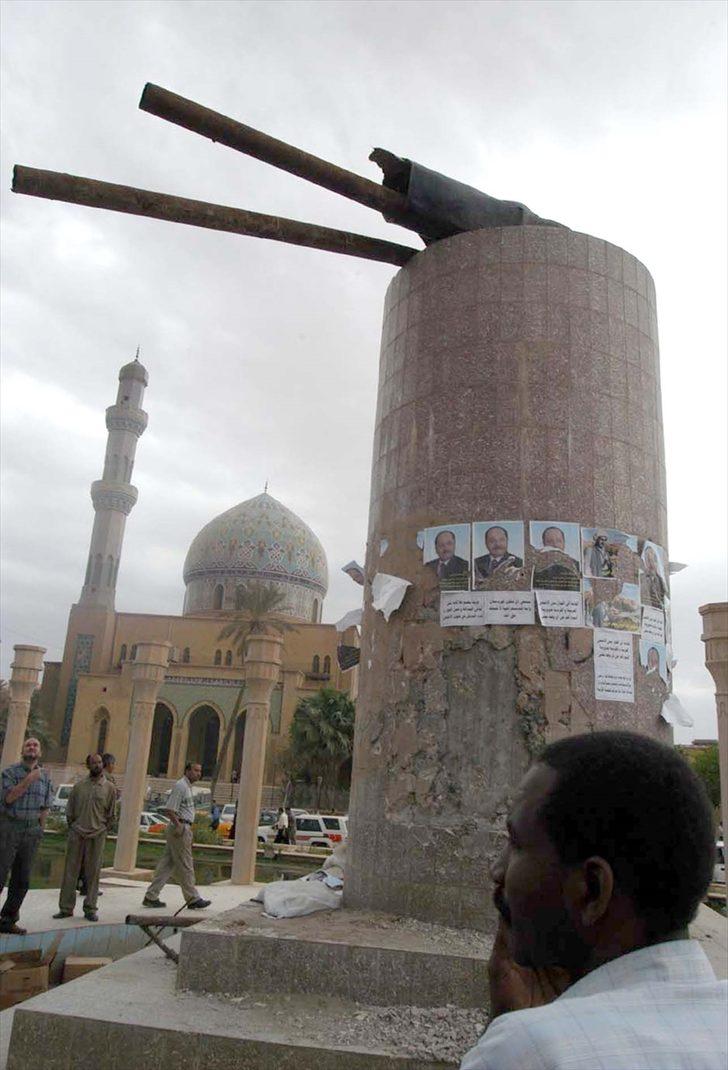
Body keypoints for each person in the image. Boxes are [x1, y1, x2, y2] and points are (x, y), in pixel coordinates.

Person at [460, 731, 726, 1069]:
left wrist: (510, 1029)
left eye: (516, 844)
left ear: (592, 888)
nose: (497, 871)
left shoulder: (531, 1050)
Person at [53, 752, 116, 922]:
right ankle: (66, 908)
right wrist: (74, 828)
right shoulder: (79, 787)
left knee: (93, 873)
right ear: (88, 766)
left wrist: (101, 829)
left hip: (97, 835)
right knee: (70, 871)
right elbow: (70, 812)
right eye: (94, 763)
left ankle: (90, 908)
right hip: (77, 834)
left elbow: (111, 815)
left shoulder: (109, 788)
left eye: (100, 762)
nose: (97, 765)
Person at [0, 737, 53, 934]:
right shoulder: (10, 773)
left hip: (31, 831)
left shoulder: (46, 777)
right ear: (23, 750)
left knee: (22, 879)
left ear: (39, 752)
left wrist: (40, 830)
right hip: (10, 828)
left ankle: (7, 919)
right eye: (28, 745)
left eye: (36, 745)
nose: (32, 747)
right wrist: (29, 779)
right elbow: (9, 797)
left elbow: (45, 807)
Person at [142, 762, 210, 910]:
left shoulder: (187, 787)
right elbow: (169, 809)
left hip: (183, 827)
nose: (199, 773)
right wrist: (179, 826)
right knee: (186, 864)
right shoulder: (181, 786)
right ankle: (192, 898)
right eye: (195, 770)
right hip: (180, 828)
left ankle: (151, 896)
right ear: (187, 771)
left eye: (200, 771)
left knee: (167, 865)